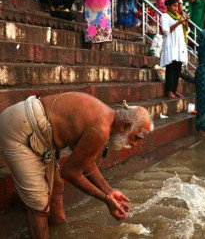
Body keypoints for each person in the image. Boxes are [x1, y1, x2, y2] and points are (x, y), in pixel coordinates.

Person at [0, 92, 153, 239]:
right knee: (38, 204)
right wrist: (106, 199)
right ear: (125, 126)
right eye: (136, 138)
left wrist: (109, 190)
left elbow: (85, 162)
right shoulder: (101, 129)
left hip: (32, 127)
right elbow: (70, 173)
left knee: (56, 187)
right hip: (19, 129)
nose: (134, 144)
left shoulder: (105, 116)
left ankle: (58, 232)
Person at [160, 0, 189, 98]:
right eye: (174, 6)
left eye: (177, 6)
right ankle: (169, 90)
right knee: (171, 68)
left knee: (177, 68)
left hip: (179, 46)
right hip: (171, 45)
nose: (176, 8)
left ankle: (175, 90)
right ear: (168, 6)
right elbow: (166, 31)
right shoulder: (165, 16)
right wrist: (178, 23)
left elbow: (186, 30)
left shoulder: (179, 17)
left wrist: (186, 22)